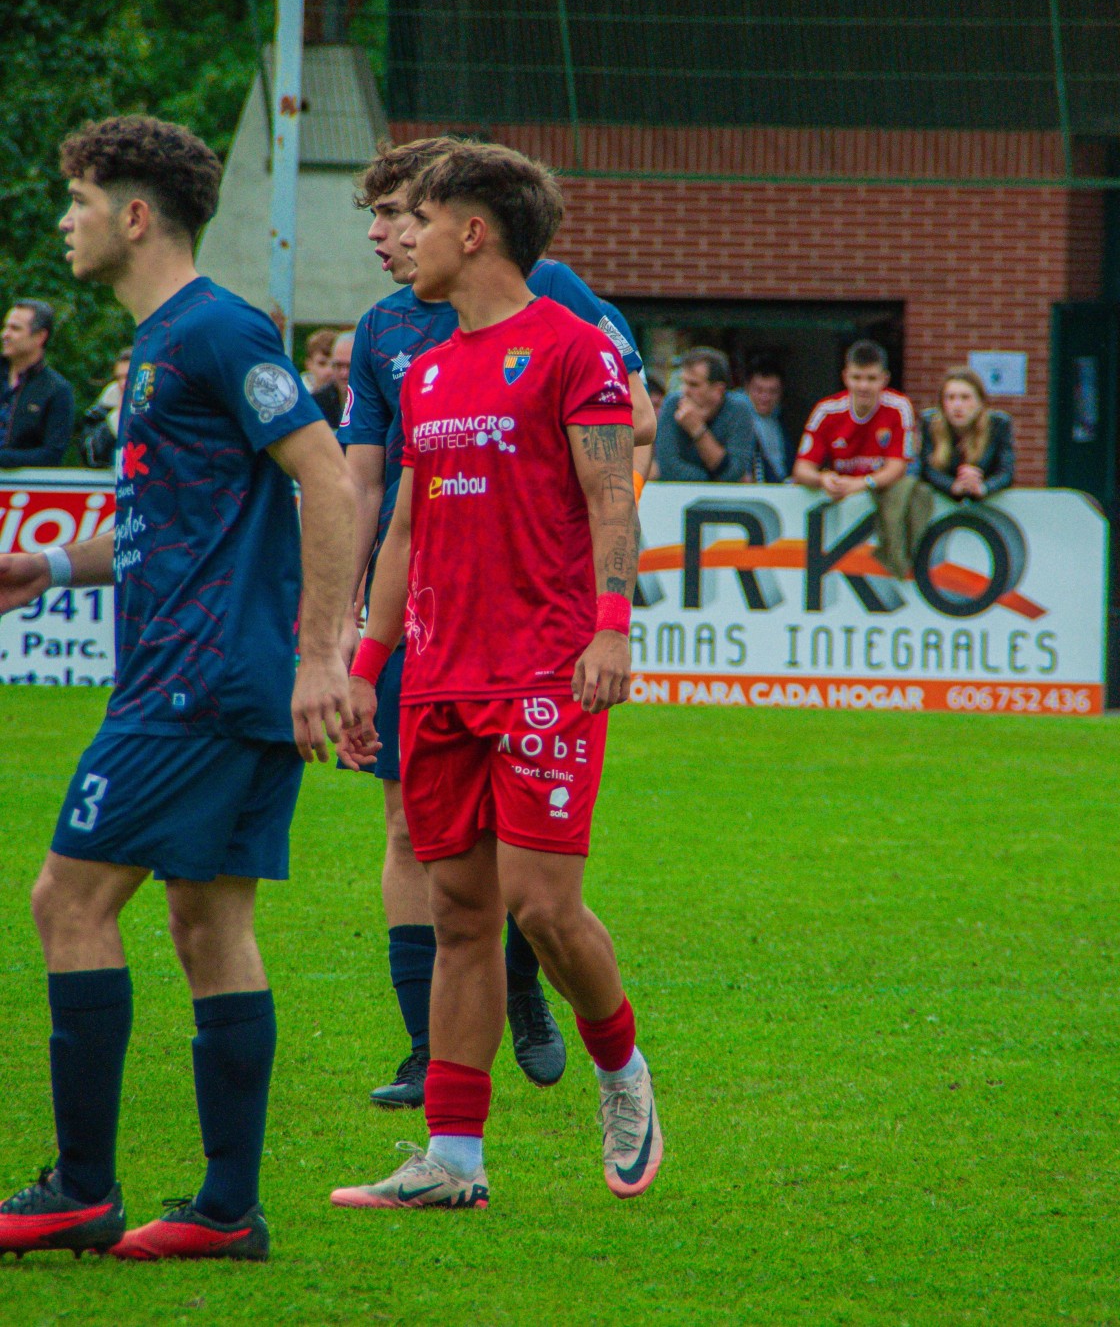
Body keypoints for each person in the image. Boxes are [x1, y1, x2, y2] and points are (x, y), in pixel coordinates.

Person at [0, 115, 355, 1263]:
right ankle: (226, 1211)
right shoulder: (164, 345)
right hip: (211, 680)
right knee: (207, 921)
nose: (66, 222)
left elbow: (326, 476)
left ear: (135, 215)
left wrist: (322, 657)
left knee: (67, 900)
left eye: (80, 201)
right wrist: (50, 565)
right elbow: (172, 526)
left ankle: (79, 1190)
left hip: (195, 684)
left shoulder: (211, 330)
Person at [332, 141, 661, 1212]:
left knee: (539, 908)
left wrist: (611, 630)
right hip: (436, 675)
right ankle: (453, 1160)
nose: (400, 240)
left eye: (416, 221)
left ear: (472, 231)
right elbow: (401, 535)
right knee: (460, 913)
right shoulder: (421, 368)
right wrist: (365, 665)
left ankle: (621, 1071)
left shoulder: (572, 350)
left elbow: (612, 502)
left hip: (544, 668)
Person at [793, 339, 924, 580]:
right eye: (857, 377)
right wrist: (823, 479)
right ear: (845, 377)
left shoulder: (899, 407)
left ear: (884, 379)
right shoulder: (826, 411)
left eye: (871, 379)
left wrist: (862, 484)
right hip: (840, 508)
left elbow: (898, 468)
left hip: (877, 495)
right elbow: (801, 470)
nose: (863, 386)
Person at [654, 346, 757, 483]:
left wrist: (697, 429)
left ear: (718, 390)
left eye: (694, 385)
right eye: (683, 382)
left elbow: (734, 472)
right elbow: (668, 468)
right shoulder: (672, 405)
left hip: (728, 501)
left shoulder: (739, 409)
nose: (685, 391)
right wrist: (714, 481)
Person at [0, 299, 75, 468]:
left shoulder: (56, 390)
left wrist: (5, 459)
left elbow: (52, 454)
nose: (5, 334)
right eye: (6, 327)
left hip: (24, 489)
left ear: (40, 336)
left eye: (15, 328)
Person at [919, 368, 1015, 499]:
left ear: (980, 402)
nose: (957, 405)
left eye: (965, 398)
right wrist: (953, 486)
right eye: (950, 398)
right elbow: (926, 470)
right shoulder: (929, 423)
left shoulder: (999, 425)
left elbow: (1006, 473)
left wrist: (983, 488)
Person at [78, 347, 133, 467]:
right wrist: (114, 421)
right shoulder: (100, 412)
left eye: (129, 376)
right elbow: (90, 458)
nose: (123, 384)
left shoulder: (165, 409)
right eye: (119, 377)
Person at [744, 355, 793, 482]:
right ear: (747, 388)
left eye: (772, 392)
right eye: (759, 390)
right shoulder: (737, 420)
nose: (765, 398)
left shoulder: (782, 421)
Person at [312, 331, 353, 431]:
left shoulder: (378, 405)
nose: (344, 373)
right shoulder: (317, 403)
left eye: (350, 366)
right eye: (338, 365)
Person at [302, 327, 338, 394]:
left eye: (335, 365)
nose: (329, 371)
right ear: (309, 365)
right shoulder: (294, 397)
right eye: (322, 364)